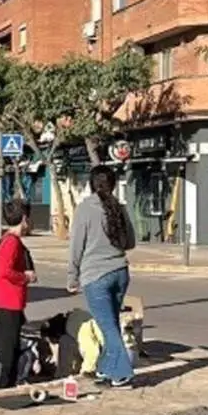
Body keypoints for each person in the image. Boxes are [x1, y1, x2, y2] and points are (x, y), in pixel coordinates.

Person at [67, 164, 137, 388]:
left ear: (91, 184)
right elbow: (130, 242)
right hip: (120, 272)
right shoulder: (119, 207)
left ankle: (122, 373)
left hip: (95, 276)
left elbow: (76, 246)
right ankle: (107, 369)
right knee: (111, 324)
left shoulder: (85, 209)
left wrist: (72, 276)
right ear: (114, 185)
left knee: (106, 326)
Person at [0, 199, 36, 389]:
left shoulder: (8, 240)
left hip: (8, 302)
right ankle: (1, 388)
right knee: (7, 352)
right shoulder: (12, 243)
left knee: (11, 348)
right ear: (24, 219)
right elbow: (5, 271)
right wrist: (25, 277)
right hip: (8, 302)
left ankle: (6, 385)